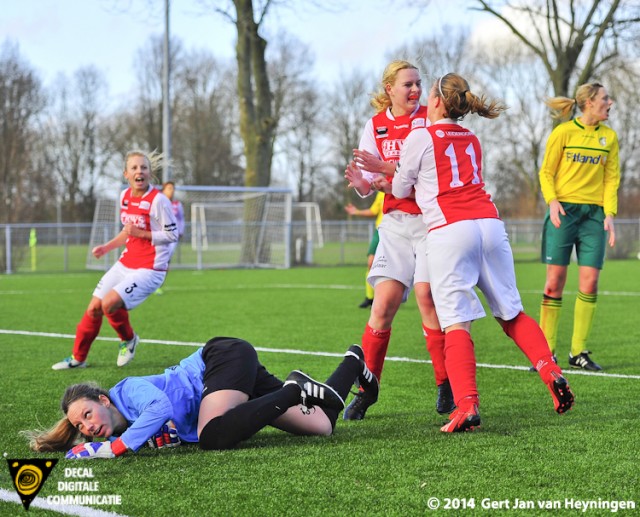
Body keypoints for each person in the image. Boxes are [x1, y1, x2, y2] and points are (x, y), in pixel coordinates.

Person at [392, 72, 575, 432]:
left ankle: (467, 406)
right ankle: (550, 370)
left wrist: (391, 175)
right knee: (512, 313)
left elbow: (400, 186)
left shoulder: (420, 136)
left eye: (430, 95)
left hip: (450, 231)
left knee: (456, 322)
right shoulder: (472, 137)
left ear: (439, 102)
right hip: (489, 225)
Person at [27, 337, 379, 456]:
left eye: (86, 414)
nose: (86, 427)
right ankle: (354, 360)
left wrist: (117, 448)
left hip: (221, 359)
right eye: (79, 426)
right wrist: (79, 449)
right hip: (230, 388)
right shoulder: (123, 428)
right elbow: (86, 447)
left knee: (214, 436)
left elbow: (161, 406)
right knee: (322, 426)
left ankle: (293, 390)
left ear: (102, 401)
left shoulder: (127, 390)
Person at [343, 60, 453, 420]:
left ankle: (445, 384)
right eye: (408, 84)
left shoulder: (429, 120)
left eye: (419, 84)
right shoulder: (375, 125)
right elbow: (366, 180)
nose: (416, 90)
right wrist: (362, 186)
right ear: (389, 88)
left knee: (427, 298)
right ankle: (367, 390)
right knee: (383, 304)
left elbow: (430, 172)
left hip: (428, 222)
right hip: (394, 223)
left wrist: (388, 172)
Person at [51, 150, 179, 370]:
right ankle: (78, 358)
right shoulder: (124, 197)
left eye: (144, 167)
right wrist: (107, 247)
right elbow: (128, 231)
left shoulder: (158, 201)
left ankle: (129, 340)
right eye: (135, 167)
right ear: (126, 174)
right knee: (93, 308)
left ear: (150, 173)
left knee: (109, 303)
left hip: (151, 268)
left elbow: (172, 235)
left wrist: (142, 234)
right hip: (126, 262)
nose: (140, 171)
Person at [537, 83, 620, 372]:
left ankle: (578, 352)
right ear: (588, 103)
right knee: (554, 283)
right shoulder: (563, 133)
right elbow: (546, 172)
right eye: (605, 99)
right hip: (564, 212)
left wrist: (609, 213)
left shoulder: (609, 138)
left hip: (594, 216)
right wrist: (552, 201)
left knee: (590, 282)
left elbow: (611, 179)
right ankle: (546, 353)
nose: (610, 103)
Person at [345, 190, 385, 308]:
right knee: (370, 263)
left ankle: (389, 297)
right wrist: (356, 211)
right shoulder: (382, 193)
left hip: (395, 232)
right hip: (380, 231)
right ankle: (370, 297)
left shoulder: (402, 187)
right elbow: (374, 211)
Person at [154, 181, 185, 295]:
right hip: (160, 235)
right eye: (169, 188)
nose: (171, 191)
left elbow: (181, 218)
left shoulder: (177, 204)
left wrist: (181, 231)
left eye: (173, 188)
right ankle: (149, 282)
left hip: (173, 237)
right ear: (163, 190)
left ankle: (158, 285)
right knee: (156, 259)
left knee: (166, 261)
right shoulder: (159, 202)